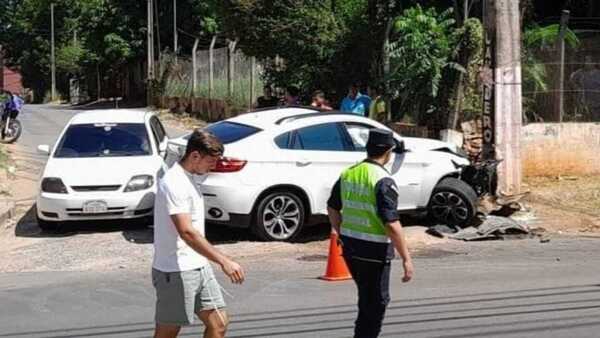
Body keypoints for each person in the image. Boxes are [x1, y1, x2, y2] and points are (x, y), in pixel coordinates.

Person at [152, 129, 245, 338]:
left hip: (198, 266)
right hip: (175, 270)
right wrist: (224, 261)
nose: (213, 167)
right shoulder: (174, 182)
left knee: (219, 323)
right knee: (167, 332)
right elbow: (186, 231)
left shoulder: (190, 177)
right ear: (195, 156)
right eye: (211, 162)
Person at [327, 128, 414, 338]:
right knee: (376, 304)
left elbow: (332, 207)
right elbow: (392, 224)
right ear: (389, 151)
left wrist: (342, 233)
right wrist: (406, 259)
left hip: (351, 248)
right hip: (374, 251)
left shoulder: (349, 173)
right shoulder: (382, 179)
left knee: (367, 300)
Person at [570, 56, 600, 120]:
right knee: (584, 119)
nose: (586, 63)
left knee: (596, 120)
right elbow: (572, 80)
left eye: (588, 61)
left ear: (594, 63)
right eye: (585, 61)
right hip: (583, 101)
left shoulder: (598, 73)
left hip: (597, 102)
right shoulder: (580, 72)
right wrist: (577, 88)